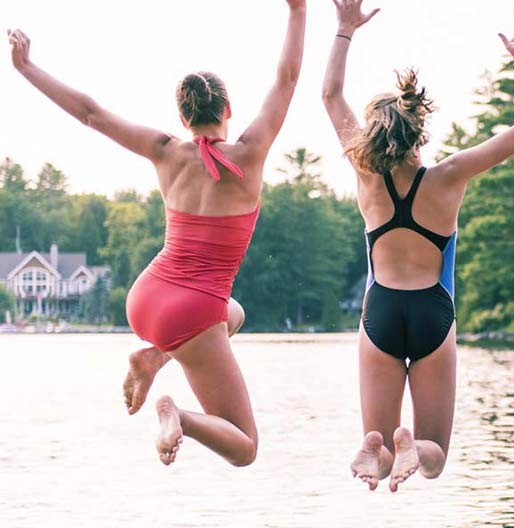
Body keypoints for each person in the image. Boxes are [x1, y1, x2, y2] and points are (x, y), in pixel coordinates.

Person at [7, 1, 307, 467]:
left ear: (183, 117)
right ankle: (177, 415)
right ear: (227, 108)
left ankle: (151, 359)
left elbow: (90, 113)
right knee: (245, 448)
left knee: (237, 313)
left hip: (146, 296)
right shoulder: (249, 152)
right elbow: (286, 79)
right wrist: (297, 9)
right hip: (191, 310)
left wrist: (26, 68)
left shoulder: (165, 150)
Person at [322, 1, 514, 492]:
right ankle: (410, 445)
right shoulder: (449, 176)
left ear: (376, 136)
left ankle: (376, 446)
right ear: (418, 131)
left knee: (380, 457)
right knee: (434, 457)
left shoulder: (365, 174)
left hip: (380, 310)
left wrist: (344, 29)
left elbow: (329, 94)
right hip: (433, 313)